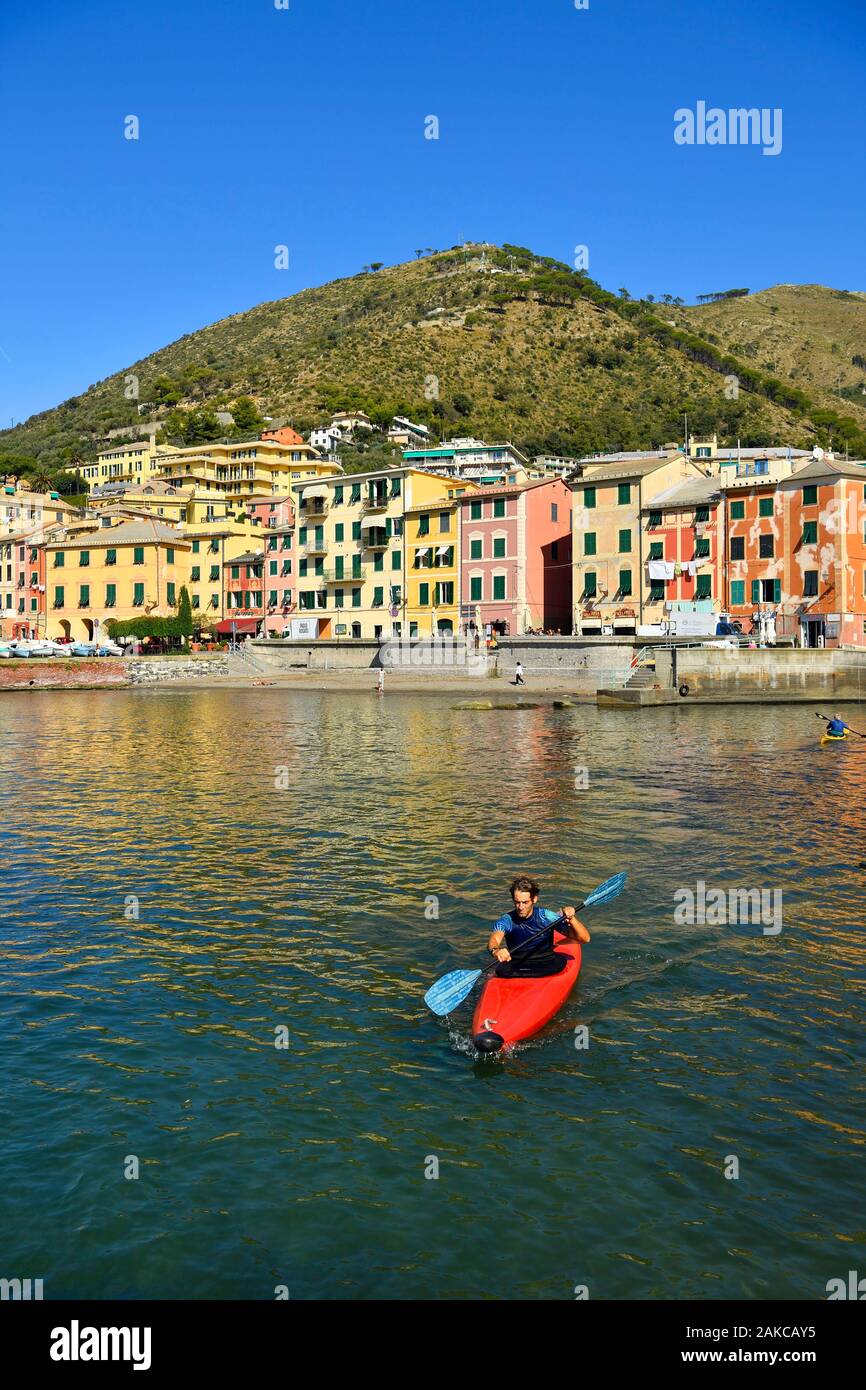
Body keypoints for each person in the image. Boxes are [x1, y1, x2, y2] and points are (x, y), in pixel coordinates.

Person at [487, 875, 590, 979]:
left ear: (534, 899)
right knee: (500, 969)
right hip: (516, 966)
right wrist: (496, 951)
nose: (521, 907)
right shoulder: (507, 920)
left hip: (547, 964)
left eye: (525, 902)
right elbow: (494, 939)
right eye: (517, 902)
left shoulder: (546, 917)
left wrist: (572, 919)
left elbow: (584, 938)